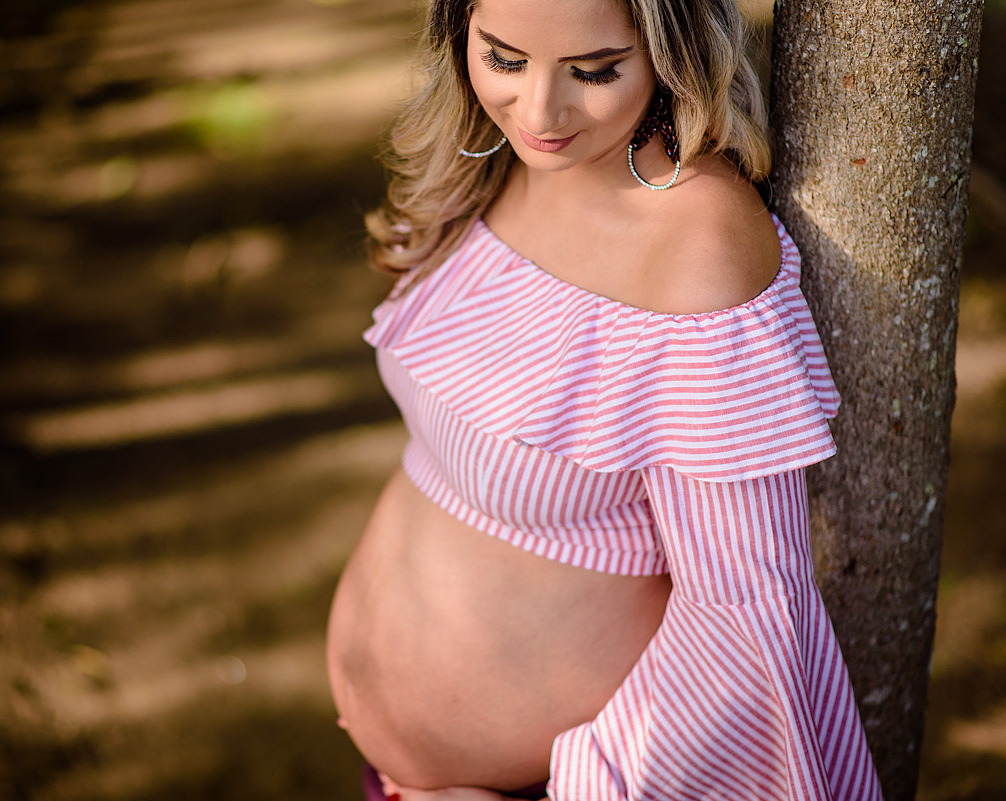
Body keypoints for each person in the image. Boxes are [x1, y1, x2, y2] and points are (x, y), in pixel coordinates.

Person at [325, 0, 885, 798]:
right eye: (505, 59)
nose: (540, 111)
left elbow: (744, 611)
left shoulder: (698, 249)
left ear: (671, 50)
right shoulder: (498, 159)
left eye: (593, 71)